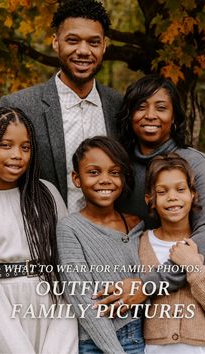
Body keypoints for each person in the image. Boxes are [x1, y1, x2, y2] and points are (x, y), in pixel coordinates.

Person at [94, 74, 205, 309]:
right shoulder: (117, 167)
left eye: (161, 108)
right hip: (128, 296)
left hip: (188, 301)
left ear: (173, 117)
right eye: (141, 107)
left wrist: (148, 285)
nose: (150, 115)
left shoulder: (198, 165)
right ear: (130, 115)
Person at [0, 0, 122, 213]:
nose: (83, 51)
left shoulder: (120, 107)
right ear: (56, 42)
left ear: (104, 46)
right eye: (72, 40)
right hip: (39, 239)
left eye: (93, 42)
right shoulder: (18, 106)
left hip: (109, 237)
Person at [0, 107, 78, 354]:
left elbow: (68, 265)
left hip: (51, 304)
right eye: (6, 145)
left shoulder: (46, 194)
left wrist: (62, 339)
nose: (18, 155)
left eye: (25, 147)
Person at [57, 136, 145, 354]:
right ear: (76, 179)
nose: (105, 180)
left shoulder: (136, 225)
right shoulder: (70, 228)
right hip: (94, 342)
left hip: (137, 335)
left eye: (114, 172)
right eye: (94, 172)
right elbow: (82, 298)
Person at [139, 153, 205, 354]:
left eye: (180, 189)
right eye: (162, 191)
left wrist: (193, 265)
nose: (172, 197)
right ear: (150, 199)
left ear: (193, 194)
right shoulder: (140, 244)